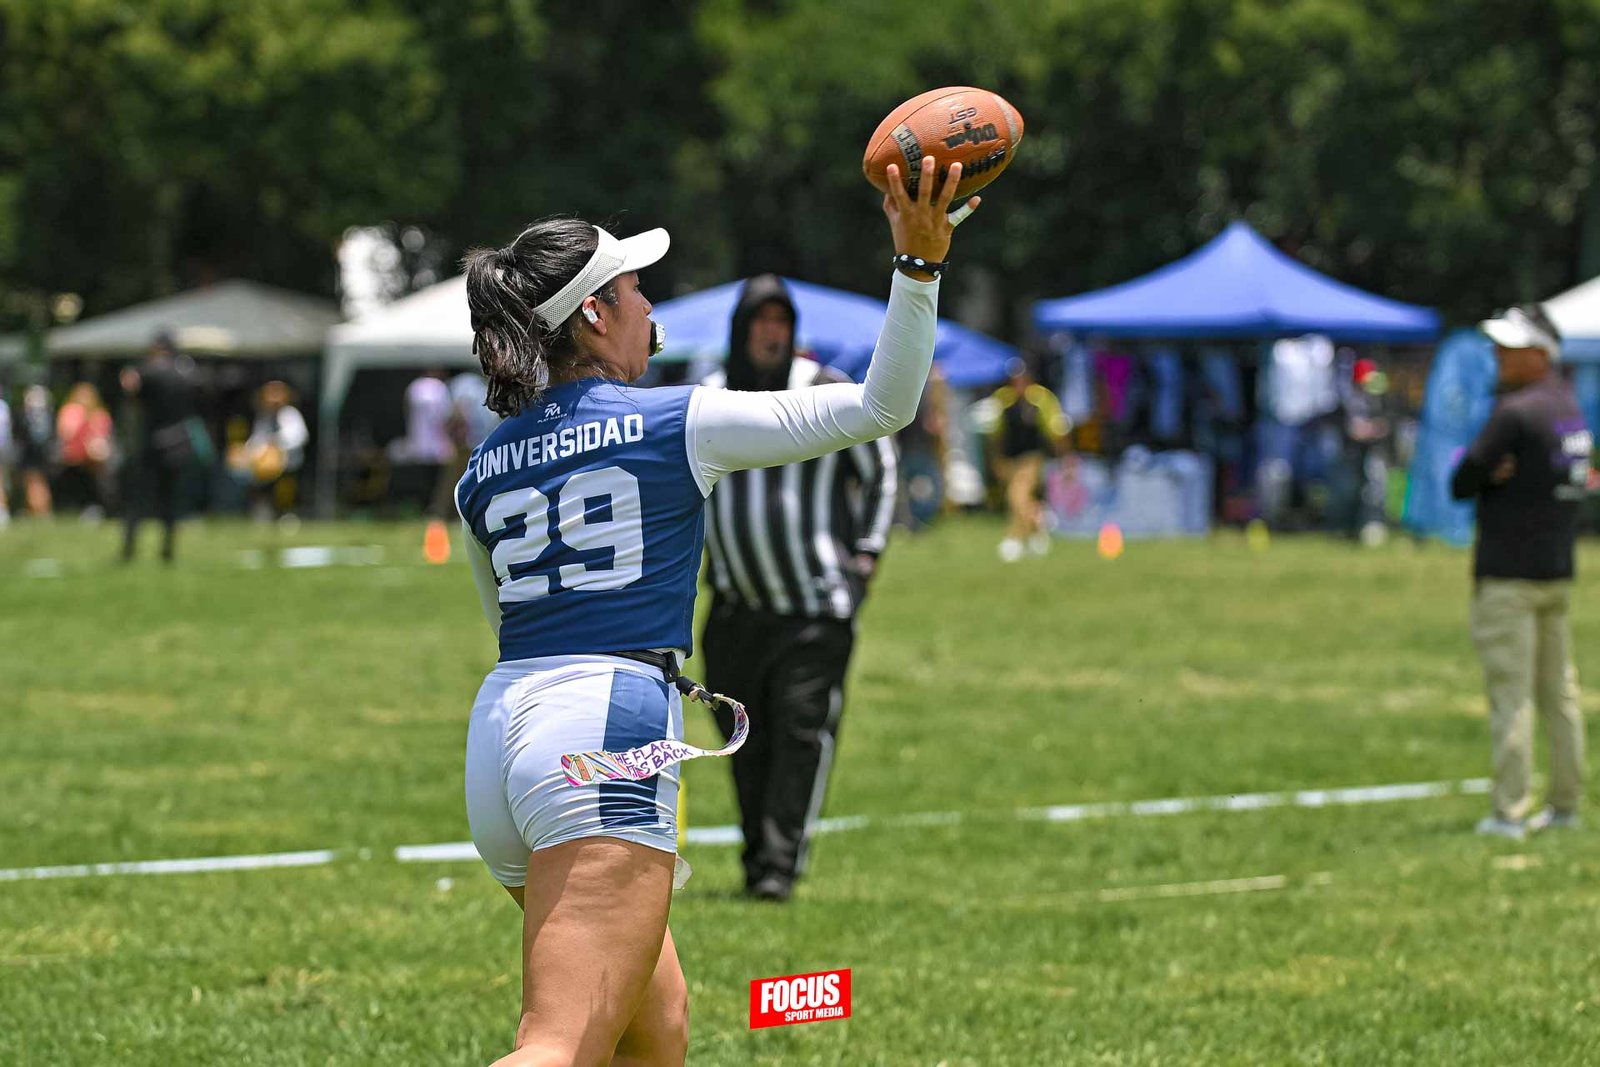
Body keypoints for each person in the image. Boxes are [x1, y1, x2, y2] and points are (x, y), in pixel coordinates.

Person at [454, 157, 976, 1066]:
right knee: (556, 1045)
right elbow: (883, 405)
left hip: (501, 737)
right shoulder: (674, 420)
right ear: (594, 314)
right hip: (599, 733)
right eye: (635, 289)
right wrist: (919, 265)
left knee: (657, 1031)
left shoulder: (481, 467)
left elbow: (509, 621)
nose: (651, 306)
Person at [697, 274, 898, 903]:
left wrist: (867, 552)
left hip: (813, 610)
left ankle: (779, 869)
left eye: (781, 322)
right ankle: (757, 856)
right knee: (743, 739)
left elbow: (881, 466)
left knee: (799, 733)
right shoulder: (709, 396)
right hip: (734, 609)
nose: (771, 334)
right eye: (760, 322)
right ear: (740, 330)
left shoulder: (823, 389)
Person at [1451, 304, 1592, 839]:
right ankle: (1565, 805)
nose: (1498, 356)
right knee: (1560, 696)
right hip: (1556, 572)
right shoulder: (1568, 408)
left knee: (1511, 697)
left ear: (1539, 355)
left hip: (1508, 576)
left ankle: (1508, 814)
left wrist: (1491, 476)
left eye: (1510, 348)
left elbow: (1462, 481)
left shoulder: (1514, 413)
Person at [122, 332, 204, 563]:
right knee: (170, 500)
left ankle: (129, 550)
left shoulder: (148, 371)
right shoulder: (187, 372)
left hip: (151, 442)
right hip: (178, 442)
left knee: (138, 499)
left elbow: (130, 387)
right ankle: (167, 551)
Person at [986, 357, 1069, 560]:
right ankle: (1038, 524)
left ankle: (1013, 539)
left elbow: (1056, 430)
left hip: (1033, 457)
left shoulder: (1041, 398)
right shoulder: (1003, 400)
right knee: (1020, 499)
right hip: (1011, 458)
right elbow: (996, 434)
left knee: (1016, 495)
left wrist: (1065, 457)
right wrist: (996, 460)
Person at [239, 381, 309, 520]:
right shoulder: (264, 417)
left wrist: (277, 443)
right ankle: (264, 513)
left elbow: (300, 436)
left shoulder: (290, 414)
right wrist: (248, 451)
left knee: (286, 489)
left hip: (289, 462)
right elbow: (257, 438)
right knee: (259, 484)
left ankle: (288, 514)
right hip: (267, 464)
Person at [55, 382, 115, 518]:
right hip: (74, 456)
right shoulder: (71, 411)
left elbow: (103, 435)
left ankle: (97, 506)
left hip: (95, 457)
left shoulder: (99, 414)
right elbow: (66, 433)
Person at [17, 384, 57, 517]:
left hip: (34, 455)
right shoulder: (48, 415)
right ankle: (38, 509)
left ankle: (40, 509)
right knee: (36, 482)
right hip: (41, 454)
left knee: (34, 482)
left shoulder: (28, 417)